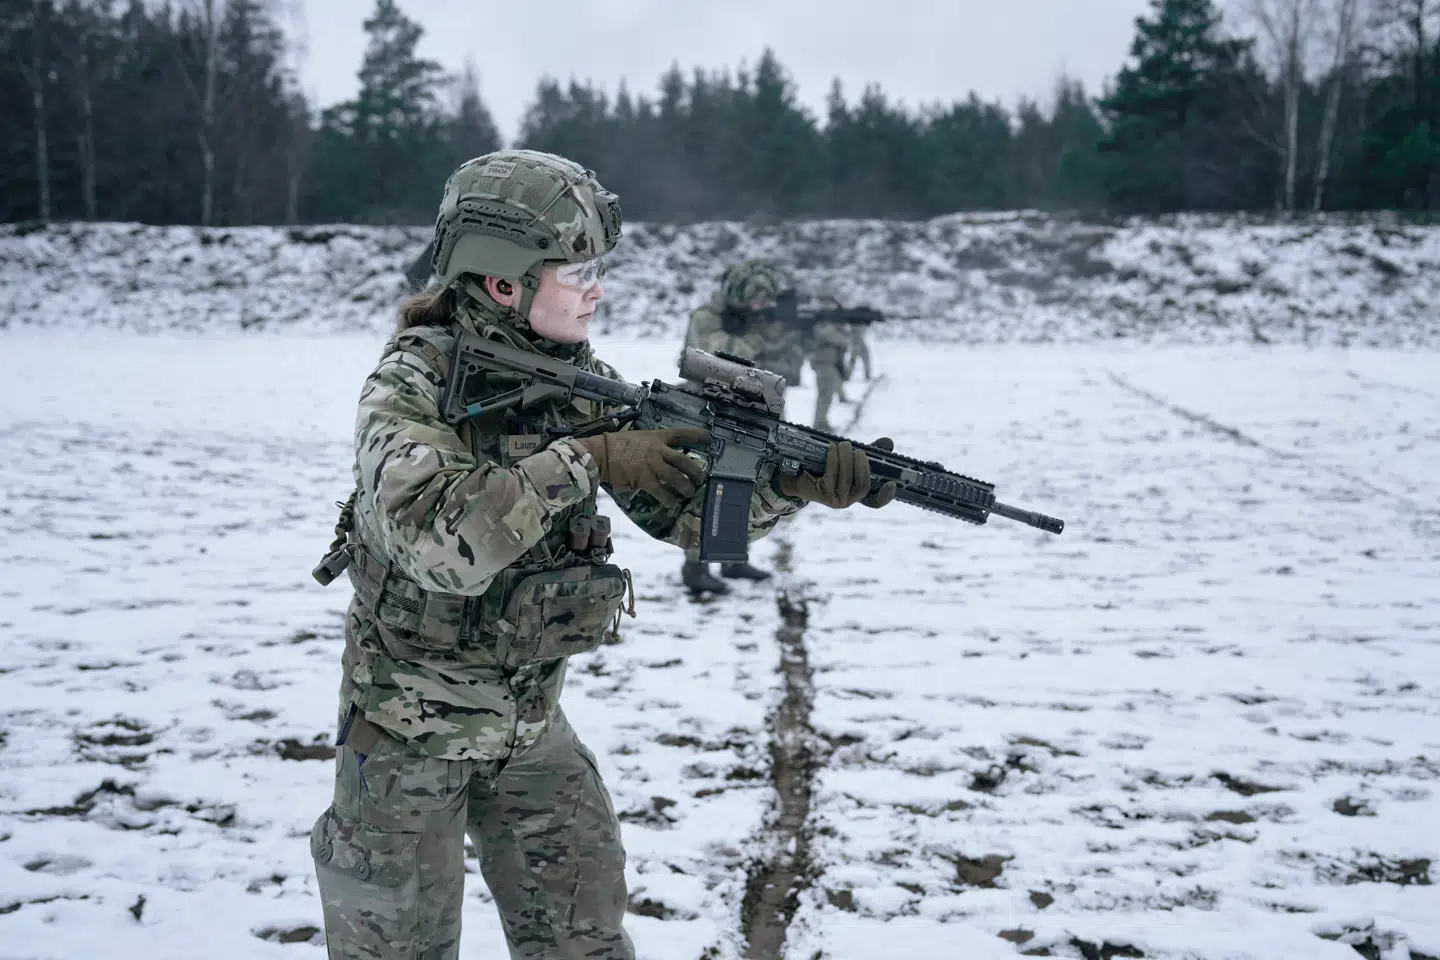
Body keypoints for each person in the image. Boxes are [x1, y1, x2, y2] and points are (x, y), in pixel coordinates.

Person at [309, 149, 896, 960]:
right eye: (577, 271)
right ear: (505, 281)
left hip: (529, 727)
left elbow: (687, 515)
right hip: (409, 737)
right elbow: (435, 541)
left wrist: (793, 486)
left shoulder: (583, 382)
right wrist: (588, 460)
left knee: (586, 941)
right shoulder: (412, 382)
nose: (598, 289)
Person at [676, 258, 797, 593]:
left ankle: (734, 559)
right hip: (709, 415)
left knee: (748, 488)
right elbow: (719, 360)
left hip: (750, 414)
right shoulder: (705, 317)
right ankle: (694, 567)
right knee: (705, 490)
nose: (763, 307)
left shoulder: (753, 320)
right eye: (758, 300)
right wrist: (758, 334)